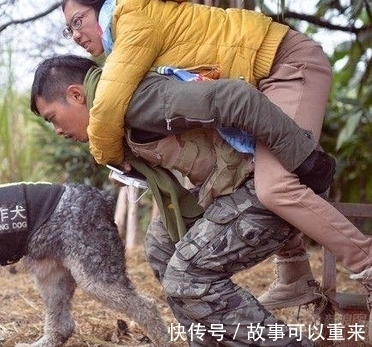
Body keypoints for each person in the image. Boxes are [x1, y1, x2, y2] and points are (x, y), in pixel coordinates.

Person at [59, 0, 371, 314]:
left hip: (288, 64)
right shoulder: (133, 18)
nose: (74, 34)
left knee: (274, 186)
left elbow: (107, 104)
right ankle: (294, 274)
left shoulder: (133, 17)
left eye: (77, 20)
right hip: (265, 76)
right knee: (250, 172)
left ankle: (366, 262)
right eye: (68, 28)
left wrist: (108, 155)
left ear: (102, 5)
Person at [30, 54, 337, 346]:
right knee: (161, 243)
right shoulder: (113, 117)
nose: (57, 131)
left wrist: (307, 160)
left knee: (186, 276)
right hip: (235, 186)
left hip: (268, 185)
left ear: (76, 95)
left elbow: (235, 97)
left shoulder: (138, 101)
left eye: (53, 118)